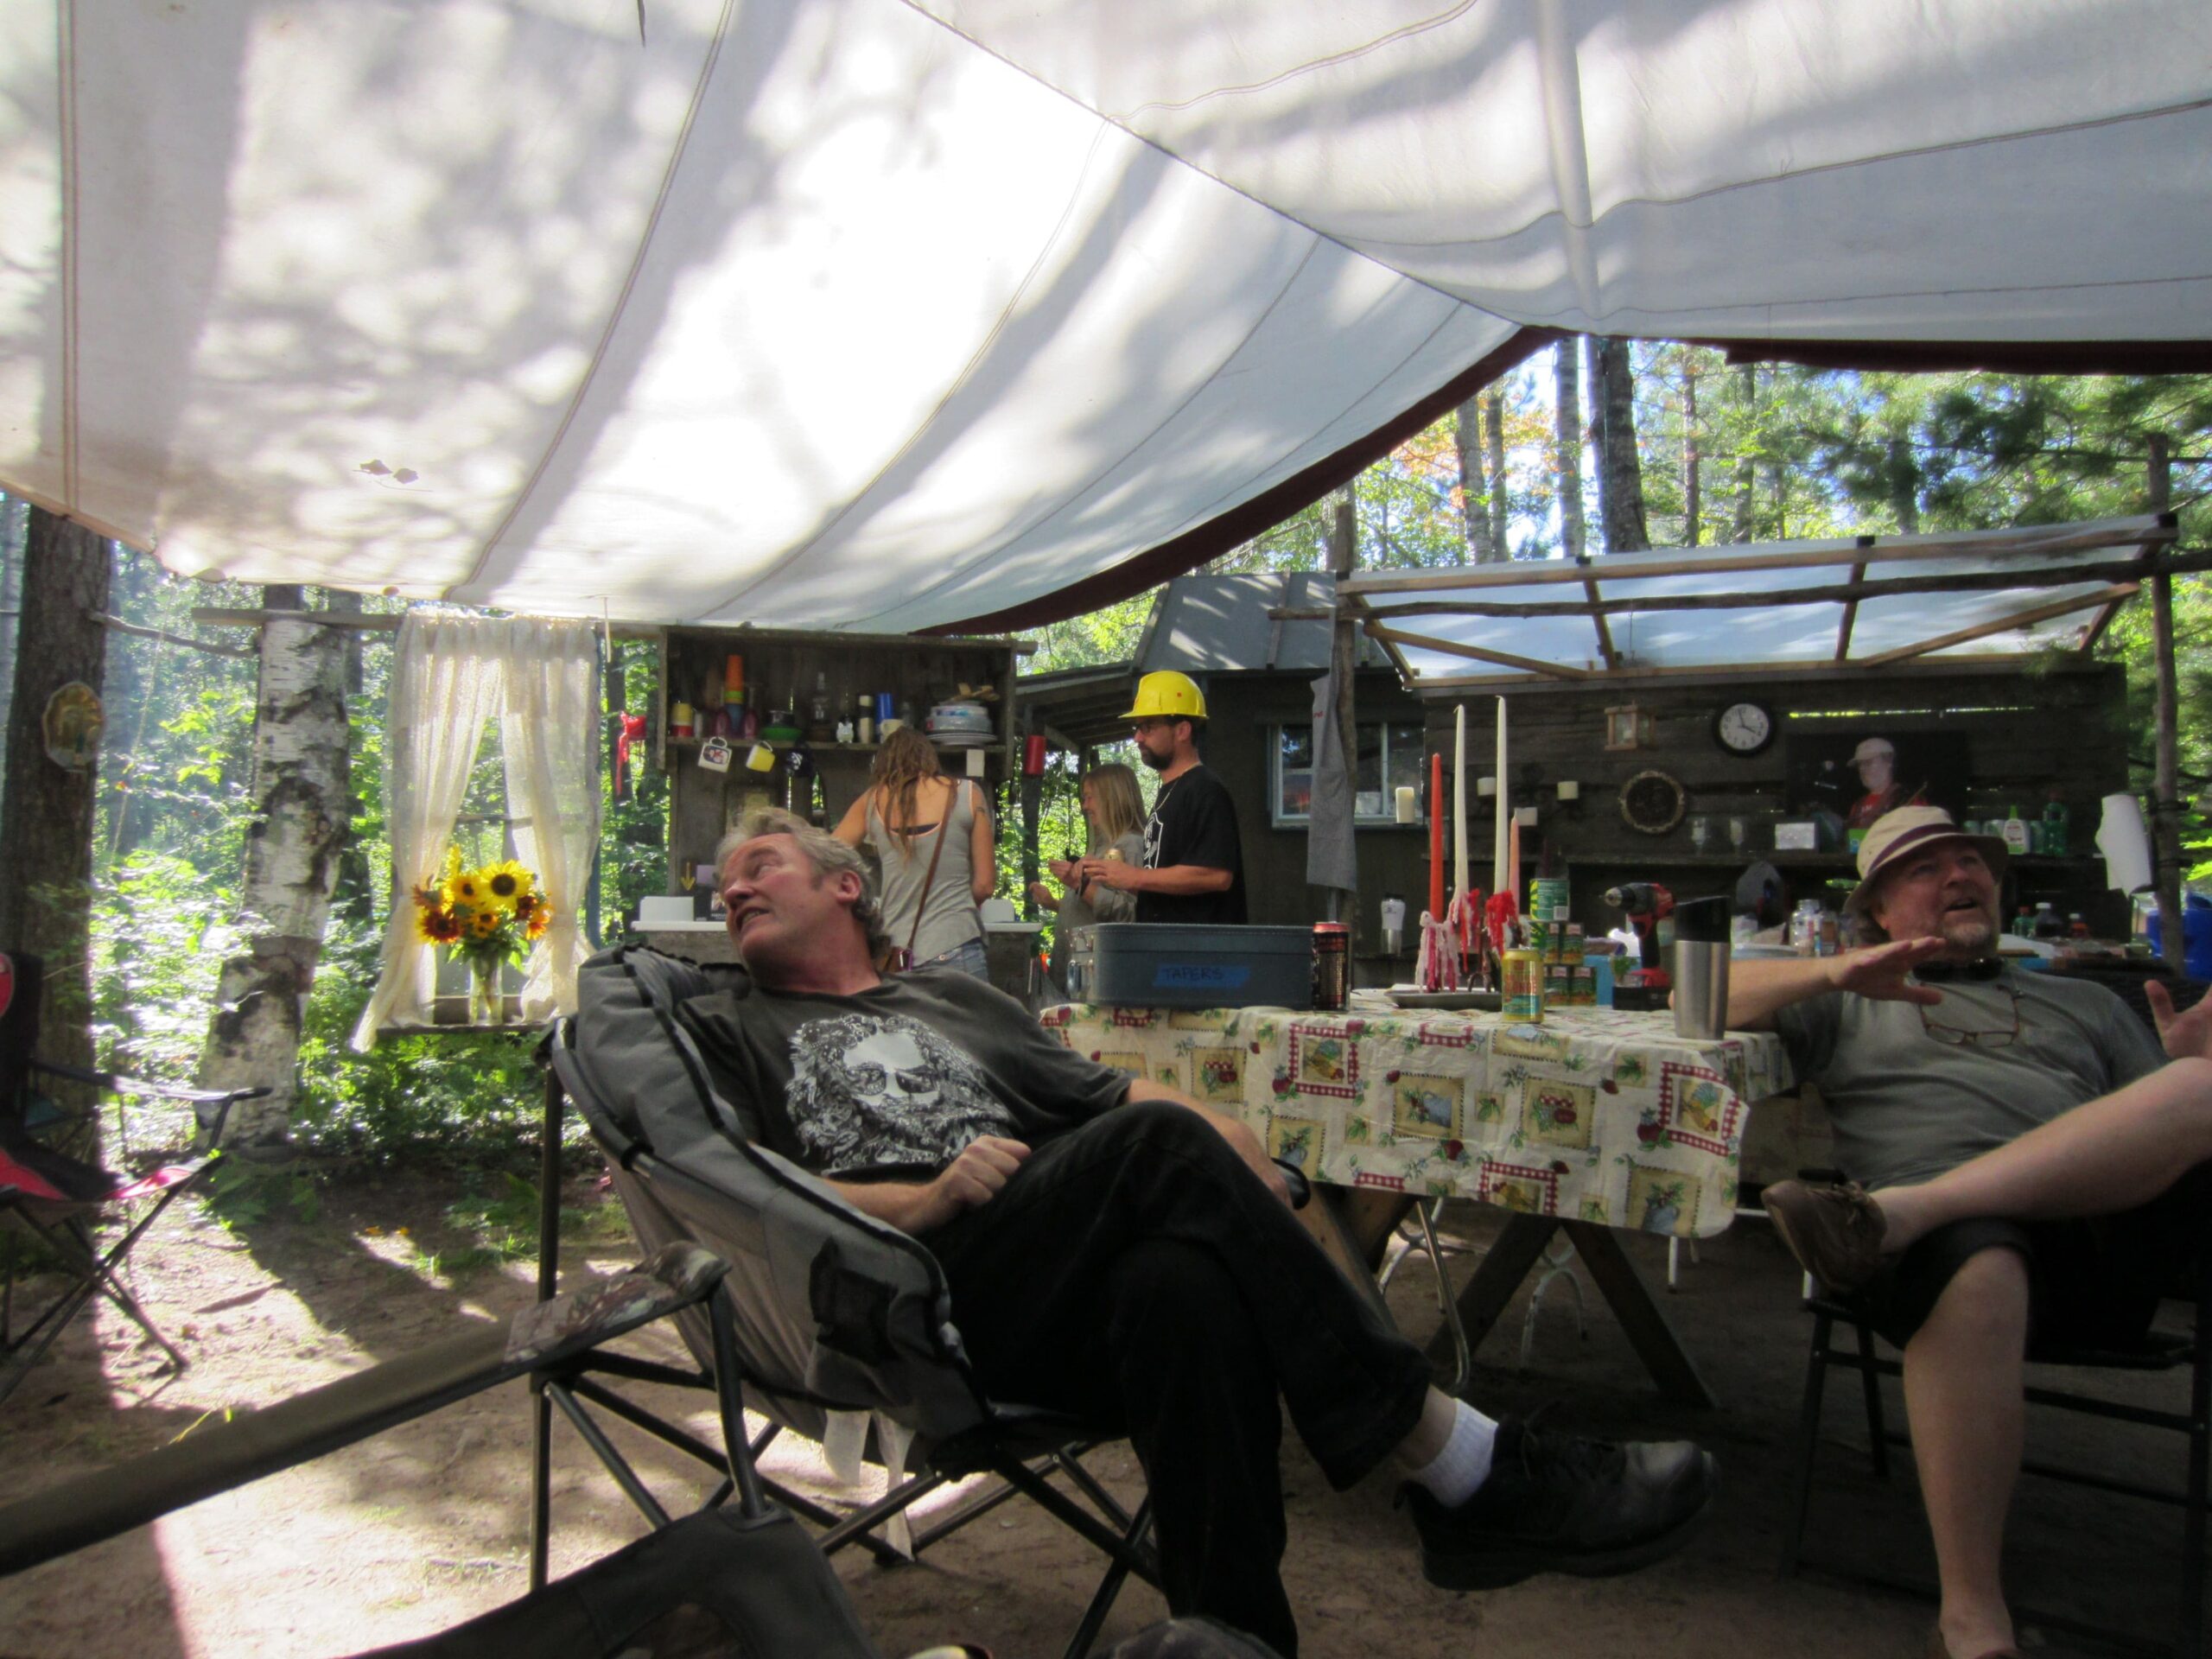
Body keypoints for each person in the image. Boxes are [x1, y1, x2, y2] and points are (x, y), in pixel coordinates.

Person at [680, 807, 1718, 1658]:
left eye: (759, 867)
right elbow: (743, 1192)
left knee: (1181, 1285)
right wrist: (919, 1201)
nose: (735, 892)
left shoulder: (952, 998)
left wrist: (1236, 1147)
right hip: (919, 1293)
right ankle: (1458, 1464)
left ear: (845, 885)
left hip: (1050, 1281)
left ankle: (1235, 1635)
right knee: (1160, 1147)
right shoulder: (732, 1028)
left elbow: (1111, 1092)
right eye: (726, 889)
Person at [1727, 805, 2212, 1659]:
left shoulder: (2082, 1000)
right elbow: (1701, 996)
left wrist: (2183, 1066)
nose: (1960, 875)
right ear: (1879, 910)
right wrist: (1835, 972)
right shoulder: (1852, 999)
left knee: (2203, 1089)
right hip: (1946, 1266)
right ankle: (1973, 1618)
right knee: (1979, 1260)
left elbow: (2164, 1136)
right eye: (1926, 868)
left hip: (2088, 1248)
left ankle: (1909, 1210)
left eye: (1971, 862)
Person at [1077, 671, 1245, 925]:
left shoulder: (1205, 789)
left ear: (1182, 730)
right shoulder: (1170, 792)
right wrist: (1108, 874)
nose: (1137, 737)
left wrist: (1135, 876)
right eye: (1137, 728)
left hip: (1201, 948)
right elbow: (1164, 886)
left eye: (1148, 727)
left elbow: (1217, 876)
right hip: (1165, 944)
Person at [833, 726, 994, 976]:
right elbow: (985, 886)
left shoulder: (872, 801)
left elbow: (825, 858)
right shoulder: (968, 794)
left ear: (884, 763)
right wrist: (953, 911)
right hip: (958, 945)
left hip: (896, 955)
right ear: (930, 757)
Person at [1029, 763, 1147, 993]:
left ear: (1111, 798)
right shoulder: (1102, 845)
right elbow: (1092, 911)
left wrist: (1079, 885)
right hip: (1076, 974)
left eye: (1090, 797)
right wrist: (1054, 904)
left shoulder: (1130, 845)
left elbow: (1129, 914)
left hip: (1100, 979)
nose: (1085, 806)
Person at [1844, 736, 1924, 830]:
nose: (1862, 769)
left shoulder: (1908, 799)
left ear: (1888, 761)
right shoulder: (1858, 806)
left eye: (1868, 762)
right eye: (1859, 764)